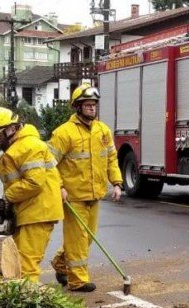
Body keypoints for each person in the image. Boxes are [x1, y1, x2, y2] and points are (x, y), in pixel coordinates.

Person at [47, 83, 123, 293]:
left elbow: (111, 158)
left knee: (88, 236)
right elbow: (48, 164)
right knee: (78, 239)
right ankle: (78, 280)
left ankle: (61, 264)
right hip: (73, 198)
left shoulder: (103, 131)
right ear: (77, 107)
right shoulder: (63, 133)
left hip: (95, 194)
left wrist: (116, 183)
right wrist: (59, 187)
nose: (92, 108)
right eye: (87, 105)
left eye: (94, 105)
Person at [0, 106, 63, 282]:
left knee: (26, 265)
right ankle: (21, 299)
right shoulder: (19, 147)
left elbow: (34, 182)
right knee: (17, 261)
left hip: (38, 212)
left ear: (12, 129)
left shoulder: (28, 147)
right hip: (28, 211)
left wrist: (7, 198)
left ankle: (29, 304)